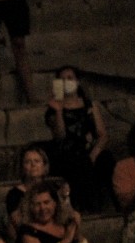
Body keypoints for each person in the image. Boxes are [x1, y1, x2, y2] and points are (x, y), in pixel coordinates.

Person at [44, 66, 112, 212]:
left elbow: (102, 134)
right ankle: (88, 207)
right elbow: (60, 136)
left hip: (89, 151)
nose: (66, 82)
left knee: (106, 159)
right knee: (80, 164)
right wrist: (58, 110)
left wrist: (93, 154)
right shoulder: (53, 109)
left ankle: (110, 205)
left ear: (77, 81)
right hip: (67, 155)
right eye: (62, 79)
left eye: (70, 78)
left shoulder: (89, 104)